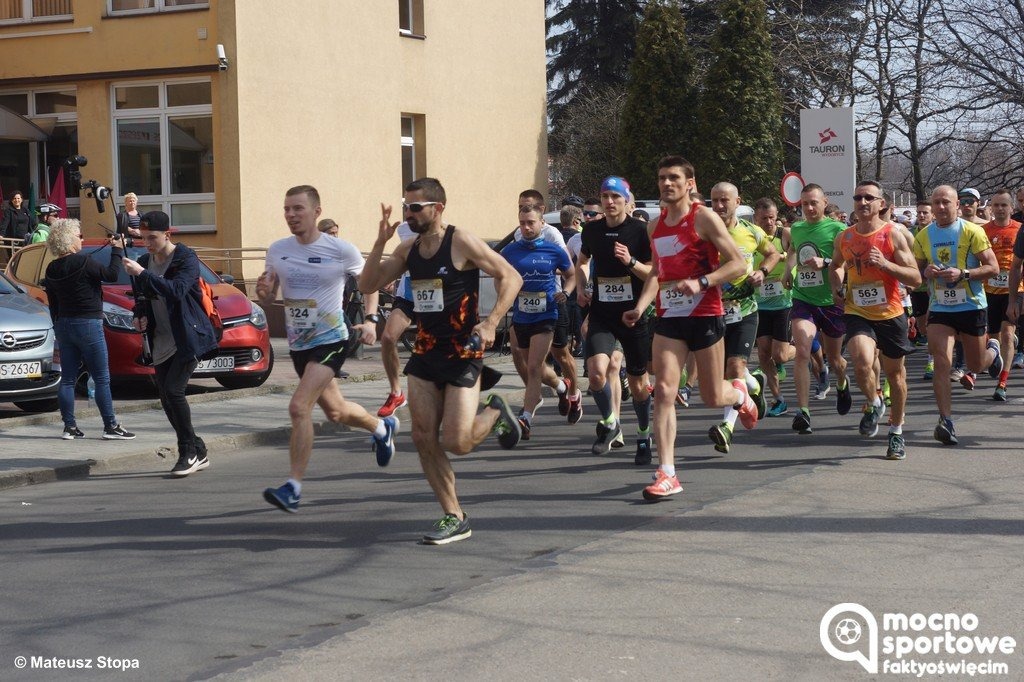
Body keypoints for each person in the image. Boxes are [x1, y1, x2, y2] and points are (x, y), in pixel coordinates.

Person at [359, 177, 523, 545]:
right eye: (406, 206)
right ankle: (454, 515)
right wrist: (380, 242)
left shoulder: (460, 241)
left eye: (416, 207)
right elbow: (366, 285)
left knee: (458, 442)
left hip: (463, 351)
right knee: (421, 437)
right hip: (426, 352)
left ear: (438, 208)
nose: (409, 213)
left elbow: (510, 276)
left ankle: (496, 410)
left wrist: (492, 320)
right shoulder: (406, 249)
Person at [623, 155, 754, 500]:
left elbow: (738, 264)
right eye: (662, 177)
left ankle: (740, 394)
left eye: (674, 178)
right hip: (669, 317)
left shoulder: (704, 218)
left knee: (713, 395)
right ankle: (667, 472)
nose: (667, 183)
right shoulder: (655, 226)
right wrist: (640, 306)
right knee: (664, 390)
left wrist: (703, 281)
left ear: (689, 184)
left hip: (705, 313)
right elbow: (656, 273)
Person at [255, 187, 393, 507]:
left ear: (316, 212)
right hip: (300, 343)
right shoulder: (278, 249)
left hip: (332, 339)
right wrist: (263, 291)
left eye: (298, 209)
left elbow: (370, 283)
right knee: (336, 412)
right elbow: (269, 290)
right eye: (286, 209)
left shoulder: (341, 249)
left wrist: (371, 320)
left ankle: (293, 487)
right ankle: (381, 428)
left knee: (298, 407)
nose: (291, 215)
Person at [830, 181, 921, 460]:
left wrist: (885, 264)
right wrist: (837, 285)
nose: (862, 202)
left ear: (881, 203)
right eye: (857, 197)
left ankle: (896, 432)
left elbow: (916, 279)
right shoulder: (844, 237)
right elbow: (836, 265)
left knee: (895, 375)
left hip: (891, 313)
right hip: (858, 311)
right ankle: (874, 401)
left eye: (869, 197)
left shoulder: (894, 234)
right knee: (860, 361)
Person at [123, 211, 219, 474]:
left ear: (168, 233)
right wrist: (139, 316)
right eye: (143, 238)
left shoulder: (185, 258)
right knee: (165, 397)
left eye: (152, 237)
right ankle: (197, 448)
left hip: (187, 337)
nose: (148, 244)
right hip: (161, 339)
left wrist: (142, 273)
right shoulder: (145, 260)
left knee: (175, 391)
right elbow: (142, 299)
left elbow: (176, 291)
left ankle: (187, 451)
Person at [912, 185, 1002, 446]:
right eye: (936, 202)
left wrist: (963, 274)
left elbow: (993, 267)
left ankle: (993, 350)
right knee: (941, 362)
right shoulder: (923, 235)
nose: (940, 207)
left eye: (946, 202)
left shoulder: (972, 231)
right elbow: (915, 273)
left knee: (975, 365)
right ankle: (946, 421)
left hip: (971, 306)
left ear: (957, 205)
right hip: (940, 307)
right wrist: (925, 273)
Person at [575, 176, 654, 463]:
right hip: (602, 313)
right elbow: (582, 261)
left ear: (626, 200)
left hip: (632, 315)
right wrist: (581, 286)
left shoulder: (640, 231)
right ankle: (611, 422)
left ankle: (644, 434)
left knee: (638, 384)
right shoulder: (592, 231)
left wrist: (630, 262)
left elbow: (654, 274)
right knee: (596, 373)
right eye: (605, 196)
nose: (609, 202)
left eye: (615, 197)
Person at [43, 219, 135, 441]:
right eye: (79, 235)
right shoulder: (84, 262)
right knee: (102, 378)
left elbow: (53, 302)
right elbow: (112, 275)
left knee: (67, 379)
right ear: (69, 239)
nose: (81, 238)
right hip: (88, 323)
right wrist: (116, 250)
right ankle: (110, 426)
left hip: (64, 324)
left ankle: (69, 427)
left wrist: (57, 325)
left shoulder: (52, 268)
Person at [706, 182, 778, 453]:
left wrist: (763, 272)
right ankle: (755, 384)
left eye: (725, 200)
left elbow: (772, 254)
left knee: (734, 369)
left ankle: (726, 427)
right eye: (714, 201)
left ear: (738, 202)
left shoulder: (751, 231)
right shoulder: (703, 233)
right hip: (712, 313)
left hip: (745, 310)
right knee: (728, 374)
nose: (720, 206)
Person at [501, 205, 581, 438]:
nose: (526, 227)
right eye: (522, 223)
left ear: (541, 222)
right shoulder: (511, 251)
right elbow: (500, 275)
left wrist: (565, 292)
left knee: (536, 365)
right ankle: (561, 387)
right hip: (521, 315)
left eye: (531, 223)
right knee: (530, 365)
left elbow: (571, 274)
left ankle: (525, 417)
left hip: (547, 314)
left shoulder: (553, 249)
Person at [782, 183, 852, 434]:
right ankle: (804, 412)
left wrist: (826, 262)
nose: (809, 208)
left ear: (824, 203)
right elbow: (791, 251)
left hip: (831, 302)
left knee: (835, 360)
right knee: (802, 351)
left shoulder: (838, 229)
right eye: (804, 204)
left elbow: (850, 260)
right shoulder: (797, 228)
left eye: (814, 203)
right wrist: (787, 271)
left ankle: (842, 383)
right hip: (803, 299)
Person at [751, 197, 795, 417]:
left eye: (772, 217)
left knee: (781, 356)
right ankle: (779, 400)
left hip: (783, 302)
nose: (769, 222)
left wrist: (784, 259)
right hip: (759, 304)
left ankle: (809, 347)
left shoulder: (784, 234)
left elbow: (796, 254)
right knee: (764, 353)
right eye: (764, 218)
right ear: (755, 218)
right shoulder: (752, 237)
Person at [980, 189, 1021, 401]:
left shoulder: (1019, 229)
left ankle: (1002, 383)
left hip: (1014, 290)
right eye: (996, 205)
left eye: (1004, 205)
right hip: (989, 291)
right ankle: (1002, 354)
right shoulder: (983, 231)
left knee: (1005, 334)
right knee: (993, 338)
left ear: (1011, 208)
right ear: (990, 208)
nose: (999, 209)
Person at [376, 220, 416, 418]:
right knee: (388, 338)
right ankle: (396, 393)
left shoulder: (448, 233)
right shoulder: (403, 229)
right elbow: (399, 258)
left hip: (436, 299)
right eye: (408, 206)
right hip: (408, 296)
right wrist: (390, 276)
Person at [910, 198, 935, 377]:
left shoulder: (935, 233)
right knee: (922, 326)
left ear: (932, 215)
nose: (921, 215)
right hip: (915, 287)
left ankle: (931, 361)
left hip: (933, 287)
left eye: (925, 212)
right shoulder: (910, 234)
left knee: (932, 324)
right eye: (919, 212)